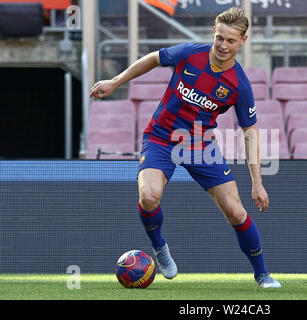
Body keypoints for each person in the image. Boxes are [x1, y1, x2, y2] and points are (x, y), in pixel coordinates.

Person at [90, 7, 281, 288]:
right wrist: (115, 81)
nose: (224, 45)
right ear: (213, 34)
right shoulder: (189, 53)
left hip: (199, 145)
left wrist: (257, 182)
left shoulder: (239, 85)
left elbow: (250, 132)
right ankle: (160, 248)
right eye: (220, 38)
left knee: (237, 212)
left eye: (231, 40)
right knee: (148, 196)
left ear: (243, 40)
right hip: (160, 137)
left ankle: (262, 274)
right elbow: (154, 58)